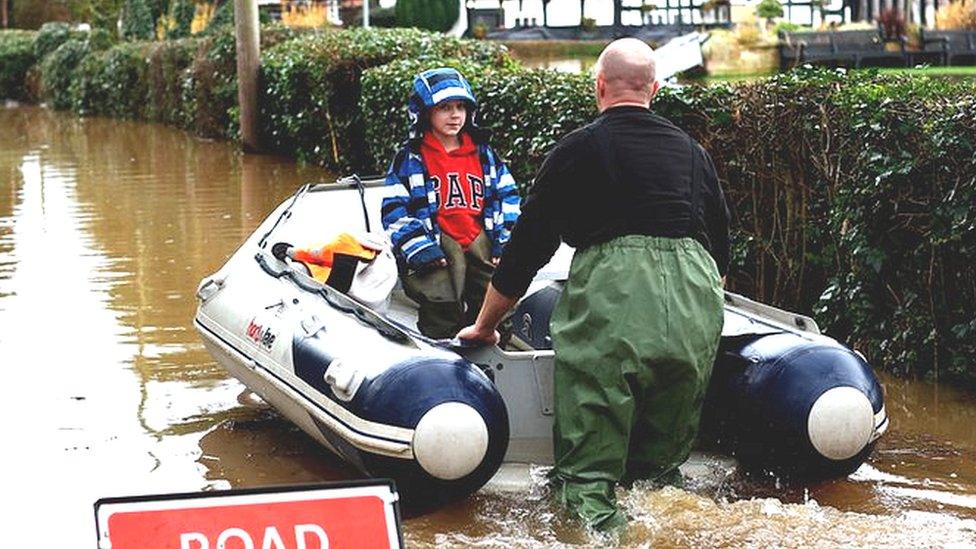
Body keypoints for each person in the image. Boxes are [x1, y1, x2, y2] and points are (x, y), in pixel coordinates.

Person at [457, 39, 730, 531]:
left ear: (599, 86)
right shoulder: (693, 153)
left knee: (586, 479)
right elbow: (721, 254)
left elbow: (526, 251)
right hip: (696, 301)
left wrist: (484, 327)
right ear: (656, 89)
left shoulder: (578, 148)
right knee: (661, 482)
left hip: (615, 297)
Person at [382, 68, 521, 338]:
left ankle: (492, 356)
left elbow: (509, 196)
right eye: (444, 107)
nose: (455, 115)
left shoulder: (484, 153)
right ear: (424, 112)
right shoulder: (411, 157)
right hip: (437, 239)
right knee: (440, 302)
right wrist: (418, 246)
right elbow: (394, 209)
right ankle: (442, 360)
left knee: (495, 298)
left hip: (480, 236)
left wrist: (505, 239)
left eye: (461, 107)